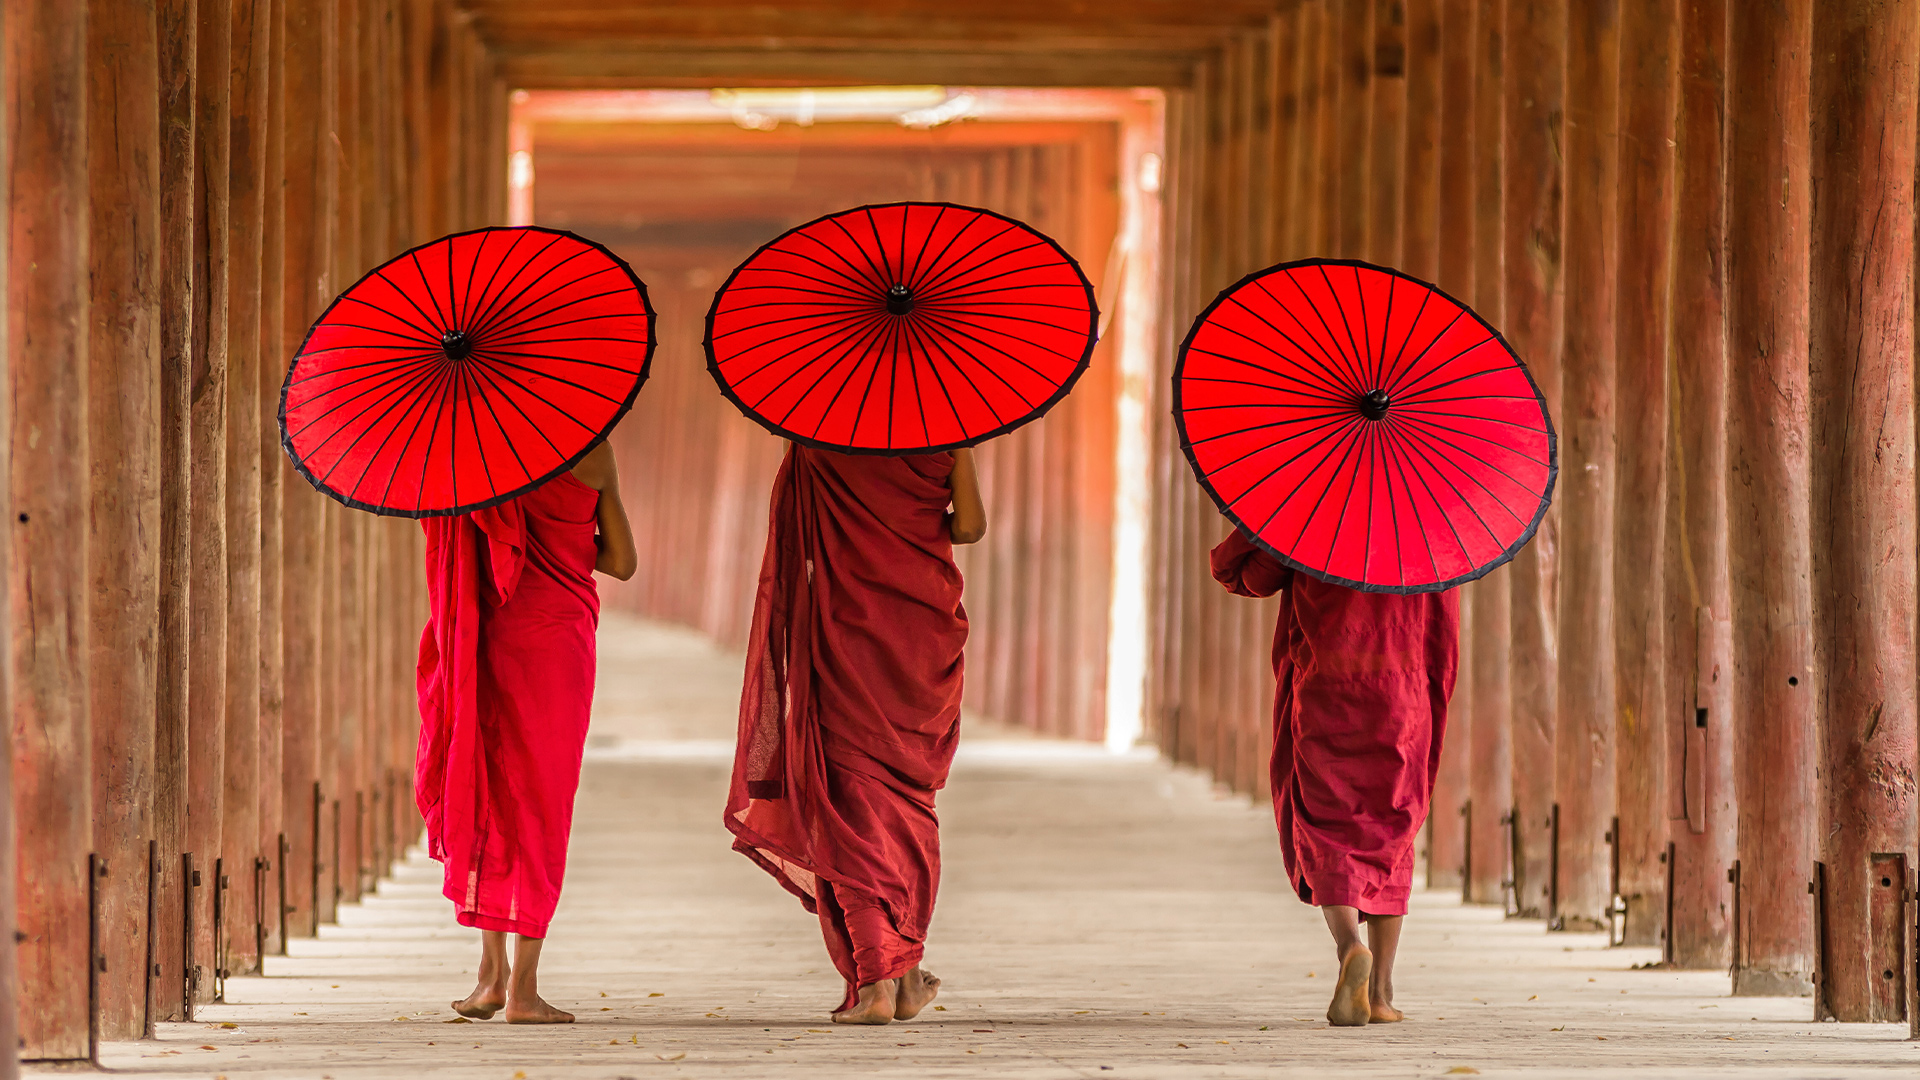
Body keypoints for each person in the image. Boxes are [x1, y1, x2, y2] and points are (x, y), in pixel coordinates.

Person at [726, 443, 987, 1025]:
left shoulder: (817, 441)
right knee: (908, 802)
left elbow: (794, 537)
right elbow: (969, 526)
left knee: (846, 800)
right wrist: (908, 524)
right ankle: (905, 973)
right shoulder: (948, 435)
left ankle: (878, 984)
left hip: (845, 631)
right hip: (922, 633)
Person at [417, 440, 637, 1024]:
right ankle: (526, 991)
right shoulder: (590, 453)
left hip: (484, 633)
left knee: (486, 787)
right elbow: (621, 561)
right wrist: (561, 540)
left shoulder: (468, 456)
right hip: (557, 642)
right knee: (542, 802)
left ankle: (490, 976)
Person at [1210, 526, 1457, 1027]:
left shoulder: (1313, 511)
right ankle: (1383, 993)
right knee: (1394, 831)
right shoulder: (1431, 526)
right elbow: (1443, 638)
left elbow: (1243, 573)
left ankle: (1350, 949)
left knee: (1323, 826)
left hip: (1328, 684)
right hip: (1402, 691)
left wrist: (1269, 524)